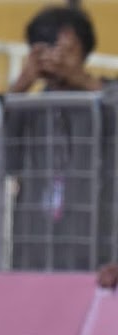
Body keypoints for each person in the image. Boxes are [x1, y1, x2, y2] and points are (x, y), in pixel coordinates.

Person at [6, 4, 115, 271]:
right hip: (34, 254)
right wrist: (20, 87)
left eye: (66, 48)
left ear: (83, 49)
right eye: (46, 49)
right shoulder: (28, 107)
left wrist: (80, 80)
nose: (57, 57)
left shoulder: (106, 96)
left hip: (98, 256)